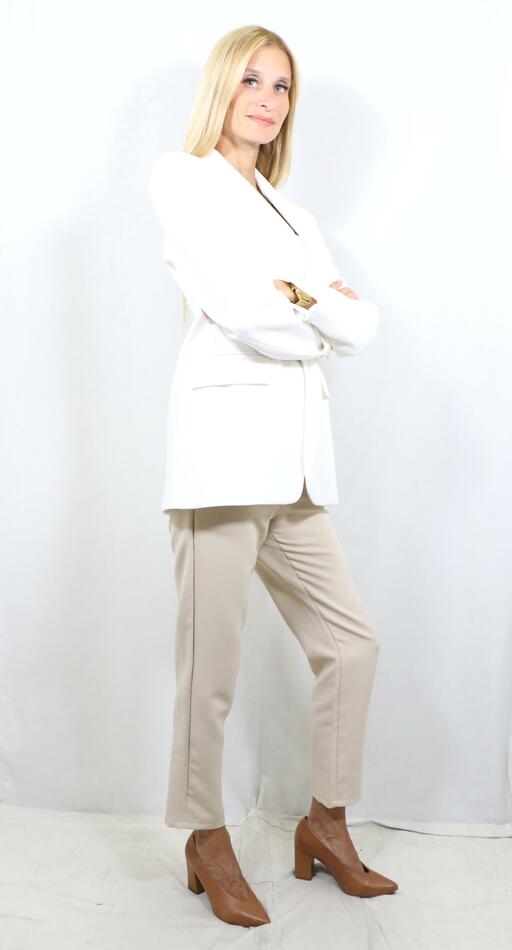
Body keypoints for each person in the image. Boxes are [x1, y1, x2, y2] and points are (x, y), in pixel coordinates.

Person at [148, 24, 398, 928]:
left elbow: (362, 325)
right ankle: (205, 838)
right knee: (209, 673)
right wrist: (313, 308)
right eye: (251, 80)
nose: (266, 98)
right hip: (221, 461)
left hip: (293, 470)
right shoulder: (183, 179)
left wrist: (303, 300)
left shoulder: (295, 217)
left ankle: (325, 823)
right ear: (222, 86)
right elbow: (240, 310)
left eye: (282, 86)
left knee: (352, 643)